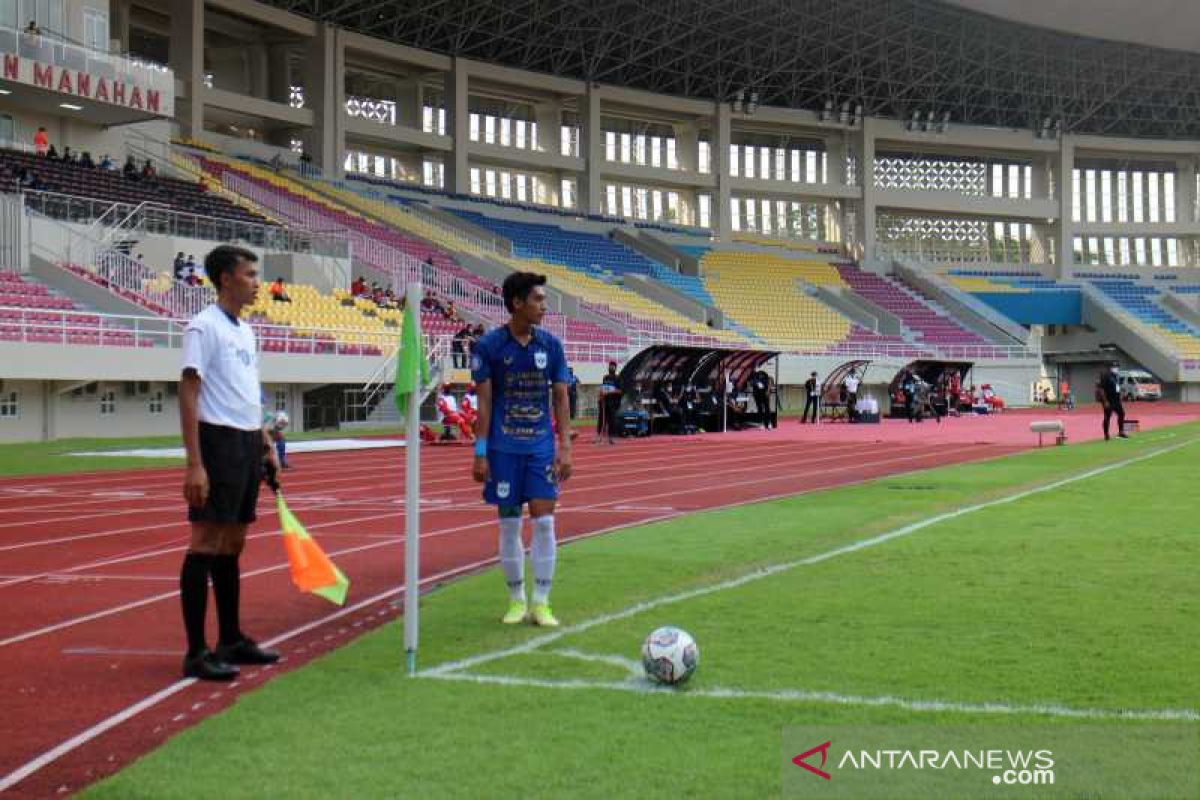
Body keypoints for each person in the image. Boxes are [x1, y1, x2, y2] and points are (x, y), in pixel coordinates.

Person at [179, 245, 281, 681]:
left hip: (244, 441)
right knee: (205, 540)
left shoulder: (246, 331)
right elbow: (188, 392)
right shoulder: (202, 328)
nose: (258, 282)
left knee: (233, 542)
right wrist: (194, 463)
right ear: (225, 278)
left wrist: (264, 440)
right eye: (250, 274)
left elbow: (246, 390)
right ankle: (196, 651)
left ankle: (231, 638)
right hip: (216, 441)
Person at [471, 271, 572, 628]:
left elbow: (560, 398)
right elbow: (484, 405)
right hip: (502, 448)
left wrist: (565, 447)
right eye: (538, 300)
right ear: (517, 303)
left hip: (541, 447)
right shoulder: (490, 347)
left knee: (544, 522)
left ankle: (542, 601)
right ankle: (516, 600)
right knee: (510, 524)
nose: (544, 307)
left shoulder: (551, 346)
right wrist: (480, 452)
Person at [1097, 365, 1128, 441]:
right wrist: (1105, 401)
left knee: (1122, 413)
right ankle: (1106, 434)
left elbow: (1116, 387)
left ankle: (1121, 432)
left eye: (1117, 367)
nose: (1116, 369)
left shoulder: (1115, 376)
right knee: (1107, 417)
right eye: (1115, 367)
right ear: (1111, 368)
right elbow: (1101, 389)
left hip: (1116, 400)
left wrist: (1120, 395)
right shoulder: (1106, 376)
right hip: (1108, 400)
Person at [596, 361, 621, 444]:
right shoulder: (605, 377)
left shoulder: (618, 378)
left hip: (612, 402)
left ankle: (611, 437)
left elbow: (619, 390)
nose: (611, 368)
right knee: (602, 419)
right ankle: (599, 436)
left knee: (612, 420)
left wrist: (609, 392)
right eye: (610, 366)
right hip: (604, 402)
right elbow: (603, 388)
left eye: (613, 366)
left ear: (615, 368)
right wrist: (600, 395)